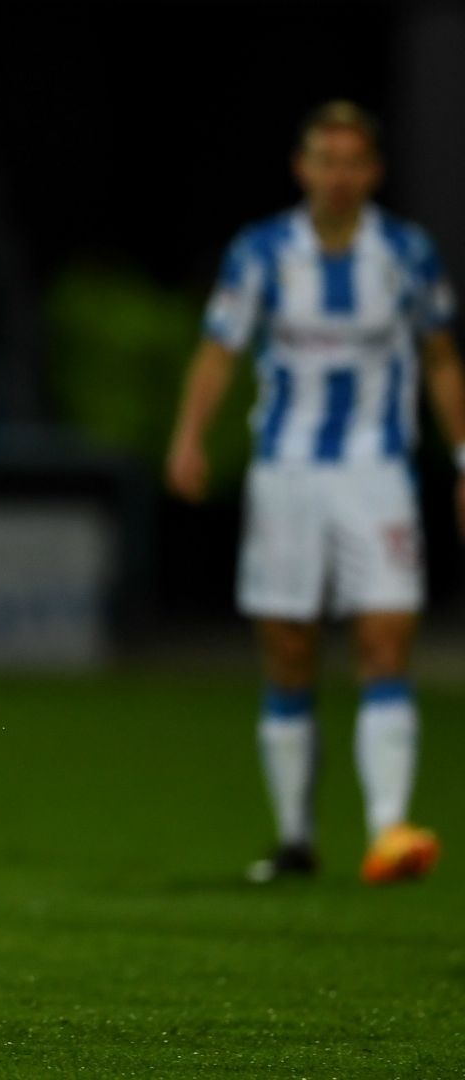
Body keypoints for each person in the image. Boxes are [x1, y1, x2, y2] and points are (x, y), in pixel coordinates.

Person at [166, 100, 462, 885]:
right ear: (304, 169)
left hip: (378, 472)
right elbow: (220, 349)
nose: (339, 176)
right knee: (291, 653)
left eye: (353, 162)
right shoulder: (264, 250)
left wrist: (463, 454)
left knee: (385, 639)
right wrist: (189, 436)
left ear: (374, 172)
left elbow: (439, 357)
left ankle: (389, 830)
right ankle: (296, 837)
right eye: (326, 161)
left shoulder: (406, 252)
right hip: (286, 473)